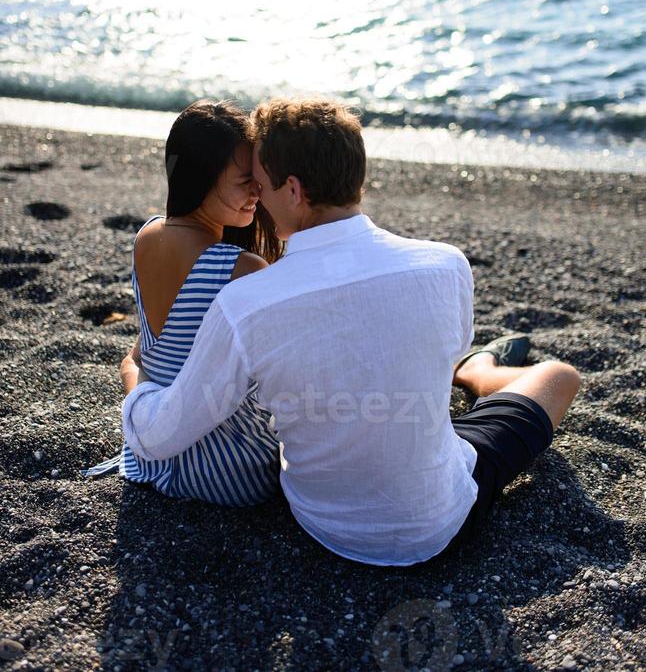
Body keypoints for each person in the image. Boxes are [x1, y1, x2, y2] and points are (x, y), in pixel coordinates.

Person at [122, 98, 581, 566]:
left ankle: (477, 371)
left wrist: (135, 374)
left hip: (322, 523)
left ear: (294, 191)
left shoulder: (247, 301)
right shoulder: (446, 263)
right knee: (560, 377)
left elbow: (161, 433)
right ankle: (480, 373)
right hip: (441, 519)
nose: (257, 196)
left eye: (261, 183)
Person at [84, 100, 283, 506]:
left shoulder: (147, 236)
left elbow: (144, 356)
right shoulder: (242, 268)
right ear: (202, 179)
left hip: (153, 461)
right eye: (245, 180)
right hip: (230, 472)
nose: (257, 192)